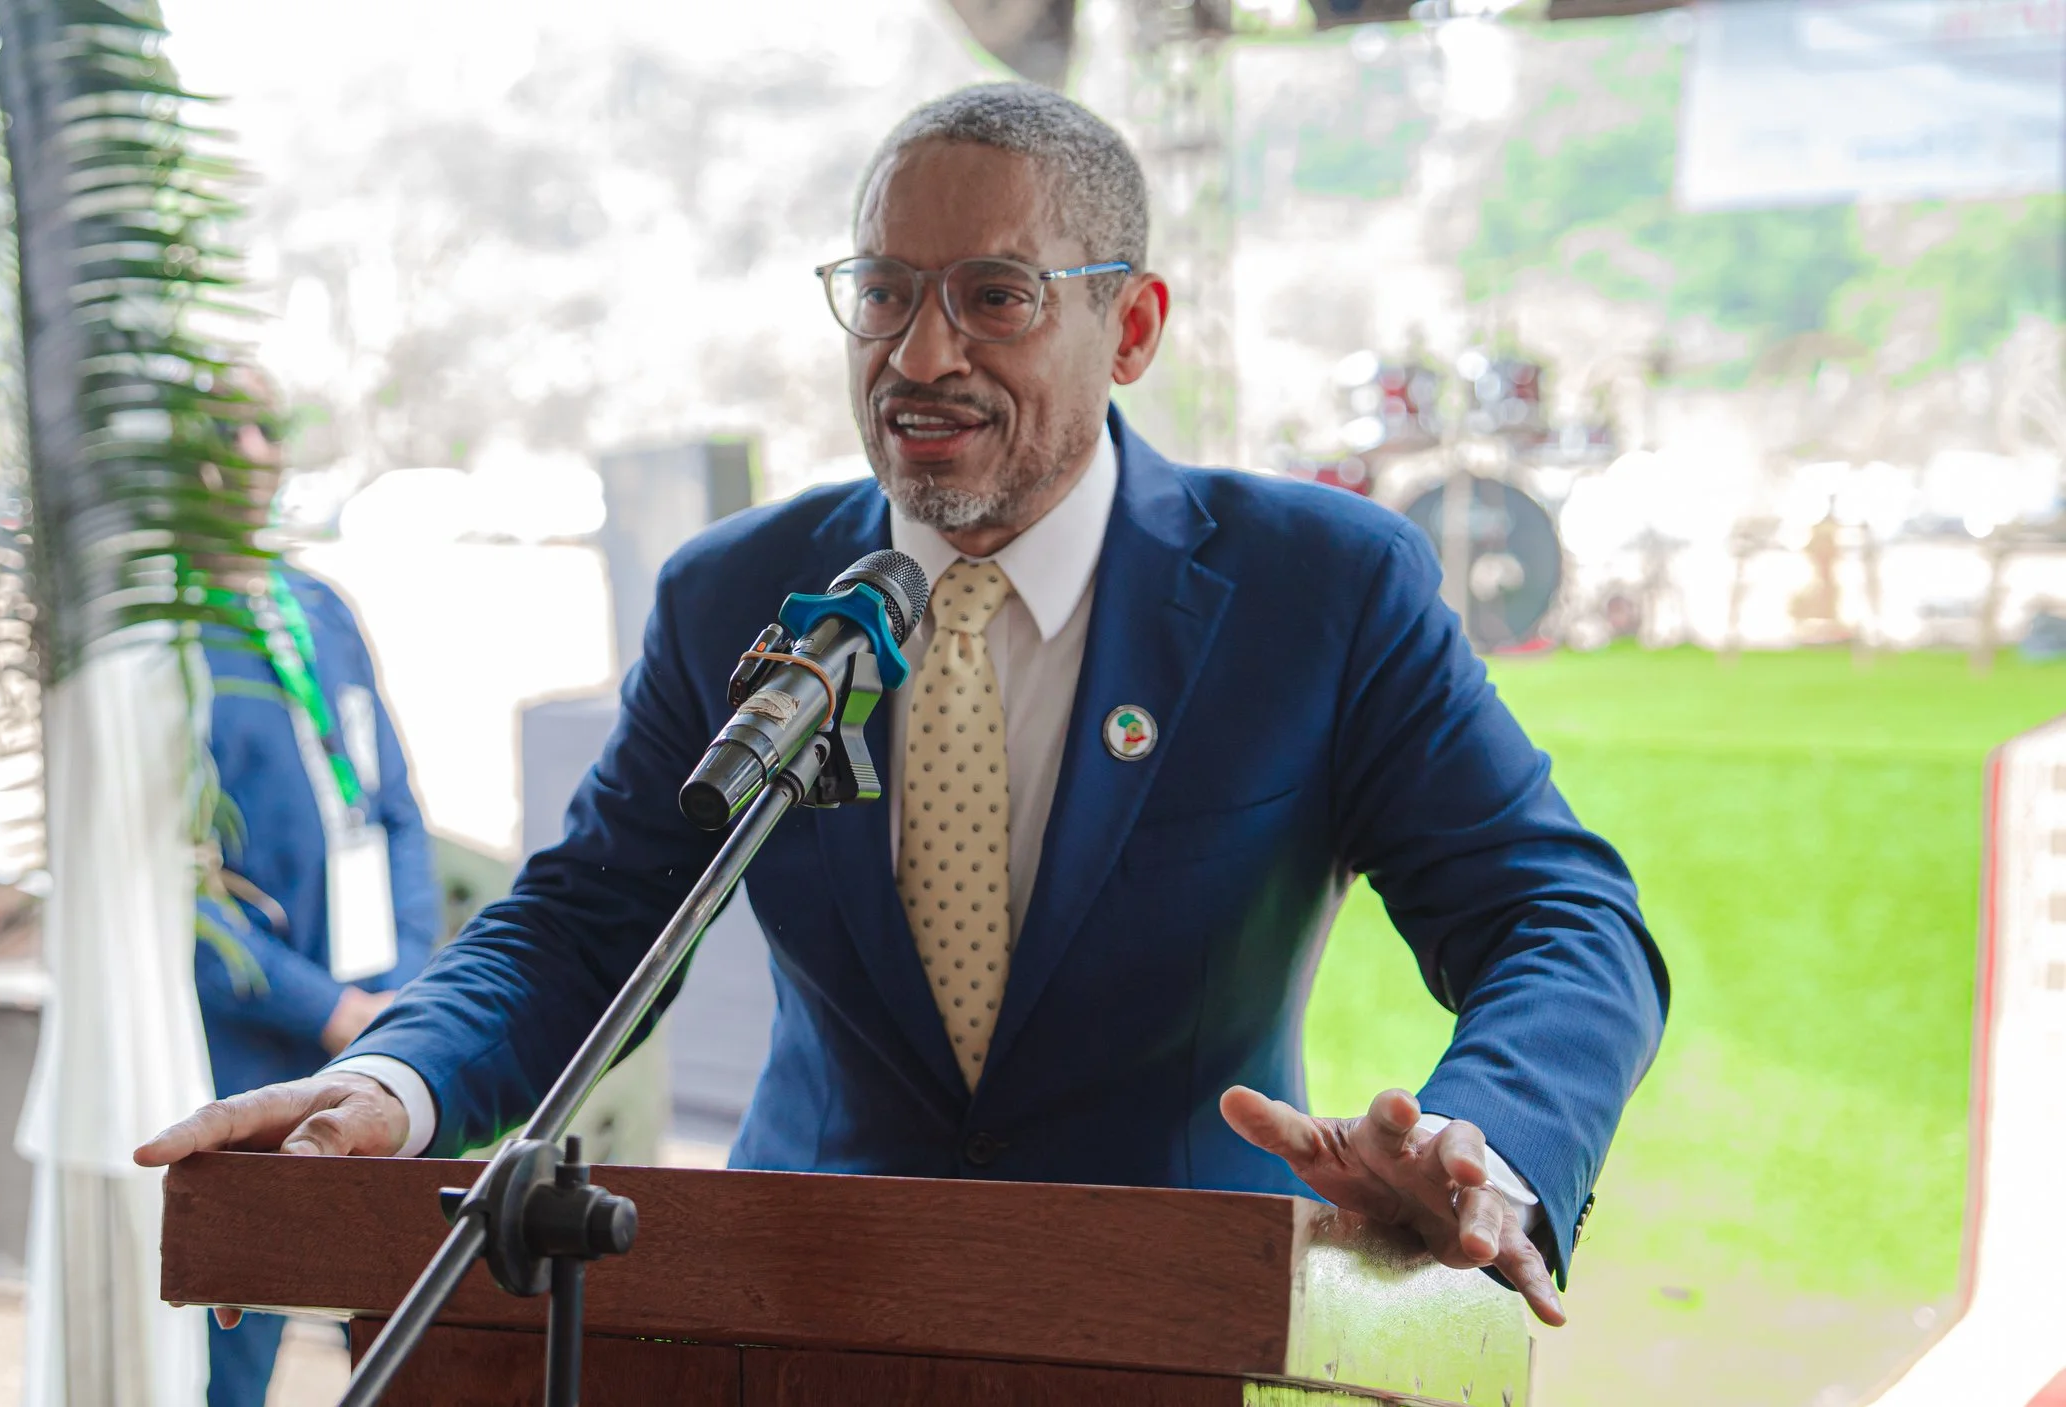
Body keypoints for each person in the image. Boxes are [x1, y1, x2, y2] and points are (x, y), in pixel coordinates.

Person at [141, 84, 1668, 1327]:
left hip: (1181, 1324)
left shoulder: (1318, 589)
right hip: (796, 1310)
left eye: (994, 296)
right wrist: (387, 1083)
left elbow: (1562, 918)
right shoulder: (733, 593)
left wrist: (1489, 1152)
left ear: (1129, 327)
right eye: (881, 292)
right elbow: (591, 920)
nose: (918, 355)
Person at [191, 406, 442, 1406]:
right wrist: (324, 1010)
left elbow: (395, 812)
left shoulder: (320, 608)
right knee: (239, 1326)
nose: (247, 451)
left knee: (388, 1318)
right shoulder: (164, 640)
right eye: (218, 427)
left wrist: (405, 992)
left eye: (263, 424)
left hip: (378, 1023)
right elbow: (176, 893)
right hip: (251, 1041)